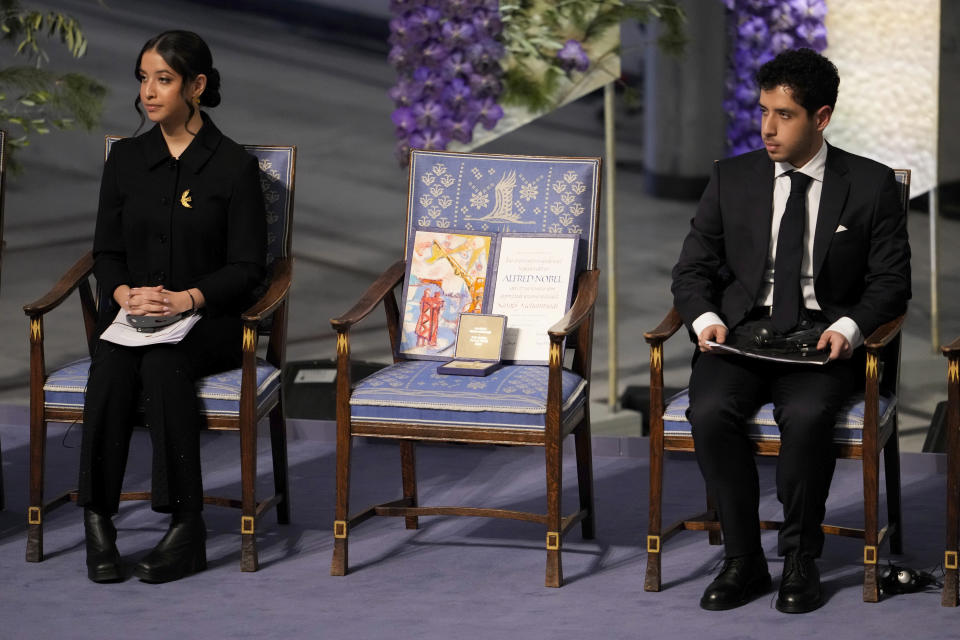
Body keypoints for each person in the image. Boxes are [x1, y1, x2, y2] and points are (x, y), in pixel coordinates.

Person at [671, 48, 910, 613]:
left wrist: (851, 327)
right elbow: (692, 270)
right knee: (708, 412)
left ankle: (801, 558)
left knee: (805, 418)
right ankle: (743, 560)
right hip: (741, 335)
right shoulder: (733, 178)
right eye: (763, 112)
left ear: (821, 117)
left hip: (820, 340)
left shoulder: (872, 186)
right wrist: (706, 319)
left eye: (784, 114)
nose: (767, 128)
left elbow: (891, 282)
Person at [78, 30, 266, 584]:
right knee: (110, 363)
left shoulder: (233, 166)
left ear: (197, 85)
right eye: (143, 78)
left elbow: (248, 269)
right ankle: (98, 520)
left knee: (164, 364)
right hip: (135, 315)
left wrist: (185, 299)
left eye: (163, 79)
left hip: (210, 320)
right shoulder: (127, 160)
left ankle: (187, 527)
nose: (148, 92)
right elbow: (106, 252)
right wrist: (123, 295)